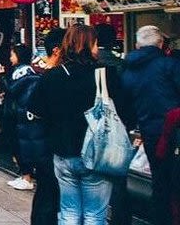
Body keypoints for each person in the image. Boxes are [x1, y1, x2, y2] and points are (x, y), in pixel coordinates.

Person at [29, 24, 128, 225]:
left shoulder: (52, 76)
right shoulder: (105, 75)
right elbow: (125, 111)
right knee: (94, 213)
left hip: (63, 152)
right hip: (97, 152)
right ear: (89, 44)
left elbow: (36, 111)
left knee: (68, 212)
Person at [122, 25, 180, 225]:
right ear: (161, 44)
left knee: (159, 182)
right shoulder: (169, 65)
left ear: (138, 45)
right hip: (174, 133)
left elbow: (127, 104)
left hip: (149, 132)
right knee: (174, 182)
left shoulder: (128, 70)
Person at [95, 23, 131, 225]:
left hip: (93, 128)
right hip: (118, 127)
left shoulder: (89, 64)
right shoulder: (120, 65)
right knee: (118, 176)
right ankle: (120, 218)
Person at [30, 28, 64, 225]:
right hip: (49, 145)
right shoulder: (49, 76)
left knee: (46, 193)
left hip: (44, 145)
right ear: (58, 50)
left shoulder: (44, 74)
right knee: (50, 194)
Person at [4, 44, 46, 192]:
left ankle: (27, 177)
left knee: (25, 146)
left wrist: (4, 79)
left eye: (12, 54)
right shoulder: (31, 71)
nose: (10, 58)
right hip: (24, 115)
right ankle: (25, 176)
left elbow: (12, 91)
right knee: (26, 146)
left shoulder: (22, 73)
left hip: (23, 115)